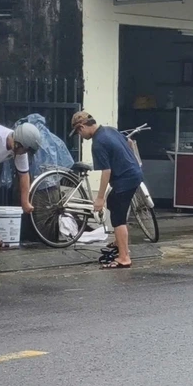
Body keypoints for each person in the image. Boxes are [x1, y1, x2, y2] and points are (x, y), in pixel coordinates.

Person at [70, 112, 143, 269]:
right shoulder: (109, 130)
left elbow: (106, 172)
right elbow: (129, 142)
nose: (80, 136)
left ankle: (124, 257)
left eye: (78, 132)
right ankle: (119, 241)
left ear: (82, 127)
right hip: (133, 173)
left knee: (118, 217)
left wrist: (100, 198)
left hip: (125, 179)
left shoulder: (98, 143)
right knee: (113, 202)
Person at [0, 123, 41, 251]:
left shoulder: (20, 151)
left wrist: (25, 202)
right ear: (17, 142)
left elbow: (23, 175)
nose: (23, 153)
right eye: (23, 149)